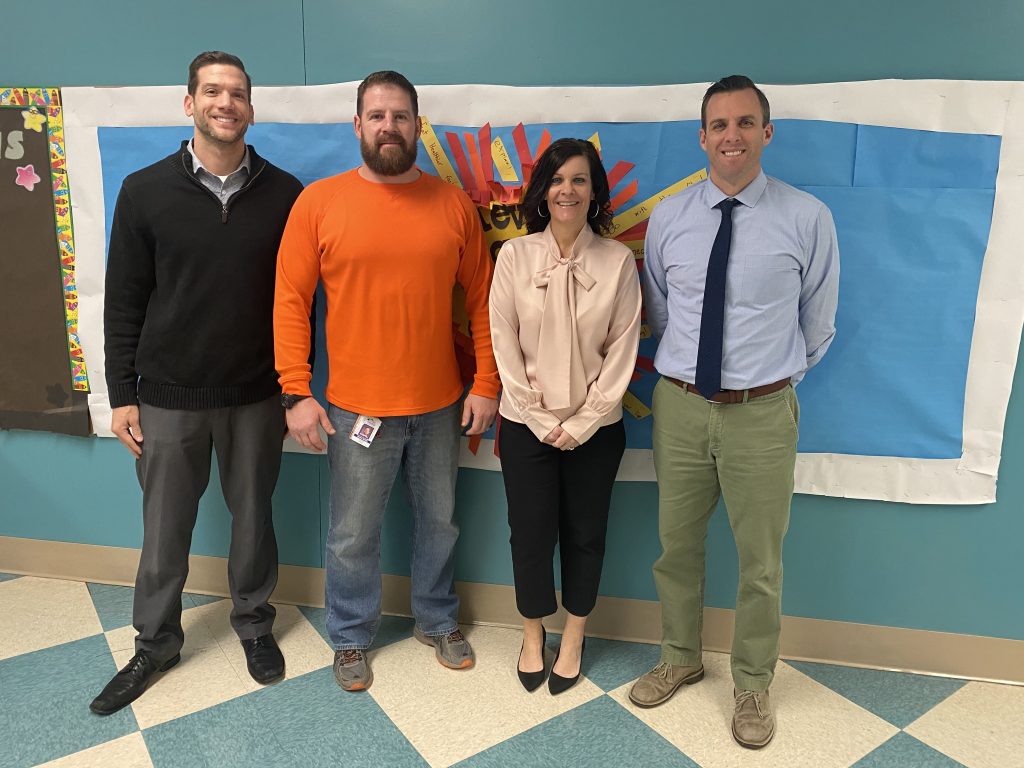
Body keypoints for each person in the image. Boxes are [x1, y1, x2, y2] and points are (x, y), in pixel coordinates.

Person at [629, 75, 839, 748]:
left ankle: (752, 682)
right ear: (702, 137)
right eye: (719, 125)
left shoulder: (807, 218)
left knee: (760, 561)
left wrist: (768, 381)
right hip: (681, 408)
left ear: (766, 133)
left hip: (762, 413)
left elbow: (818, 322)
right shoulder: (671, 219)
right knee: (676, 547)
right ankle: (680, 657)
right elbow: (661, 311)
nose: (732, 136)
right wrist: (696, 376)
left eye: (746, 123)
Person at [274, 70, 500, 692]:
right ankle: (350, 635)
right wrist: (295, 391)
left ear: (417, 126)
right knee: (352, 533)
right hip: (355, 409)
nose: (389, 127)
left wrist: (487, 381)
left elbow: (484, 300)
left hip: (440, 405)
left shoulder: (451, 205)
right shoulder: (319, 203)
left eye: (400, 116)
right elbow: (290, 301)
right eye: (377, 116)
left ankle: (437, 619)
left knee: (441, 522)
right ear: (357, 125)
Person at [92, 52, 303, 715]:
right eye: (212, 91)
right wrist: (122, 394)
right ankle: (155, 643)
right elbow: (124, 301)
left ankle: (255, 625)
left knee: (254, 524)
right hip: (166, 398)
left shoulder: (286, 194)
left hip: (255, 396)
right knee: (163, 533)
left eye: (237, 93)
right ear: (190, 103)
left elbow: (298, 304)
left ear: (250, 108)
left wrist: (293, 388)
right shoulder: (144, 191)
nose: (225, 103)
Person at [490, 138, 641, 694]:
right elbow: (503, 342)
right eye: (556, 180)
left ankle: (574, 636)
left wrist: (581, 422)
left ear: (595, 190)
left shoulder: (618, 261)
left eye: (579, 179)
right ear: (541, 190)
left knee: (586, 535)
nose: (567, 190)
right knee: (529, 535)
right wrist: (536, 417)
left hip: (595, 430)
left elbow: (622, 349)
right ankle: (532, 634)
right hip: (524, 424)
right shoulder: (514, 257)